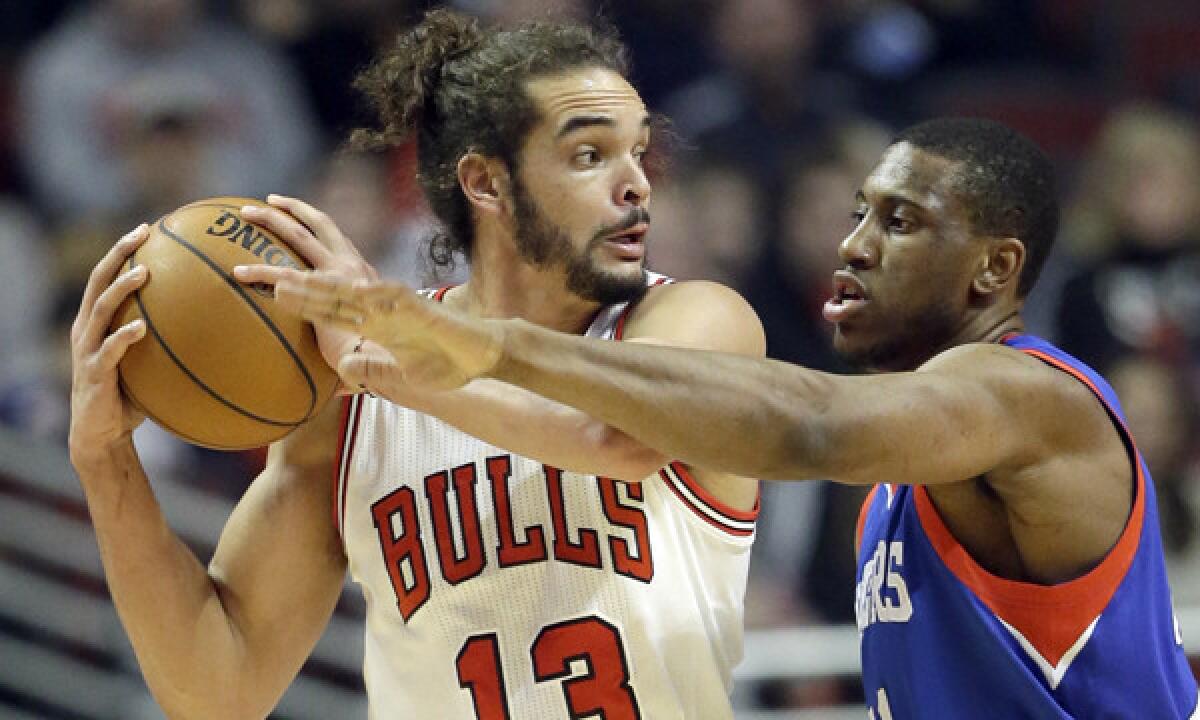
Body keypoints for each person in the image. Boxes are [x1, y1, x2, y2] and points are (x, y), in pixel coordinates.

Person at [257, 117, 1200, 718]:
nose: (854, 244)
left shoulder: (1035, 397)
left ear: (996, 269)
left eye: (899, 222)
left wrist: (487, 346)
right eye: (859, 213)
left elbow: (808, 426)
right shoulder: (902, 484)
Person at [70, 9, 765, 719]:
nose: (637, 184)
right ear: (486, 183)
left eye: (639, 153)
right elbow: (215, 691)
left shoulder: (699, 323)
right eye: (591, 156)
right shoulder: (346, 398)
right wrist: (104, 462)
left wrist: (386, 366)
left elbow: (614, 439)